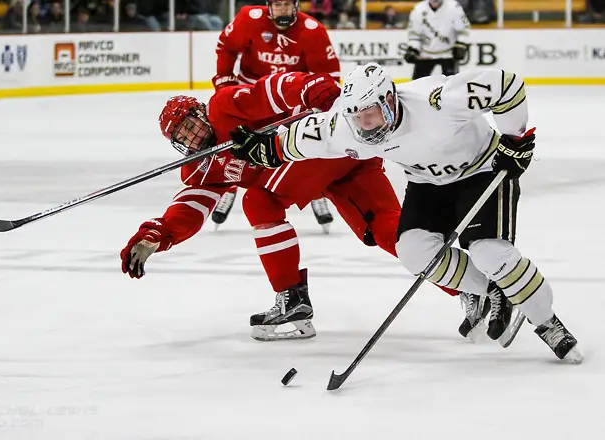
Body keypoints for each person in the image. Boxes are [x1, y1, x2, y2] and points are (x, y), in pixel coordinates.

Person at [228, 63, 583, 362]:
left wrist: (514, 140)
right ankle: (495, 288)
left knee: (488, 251)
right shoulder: (347, 126)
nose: (366, 123)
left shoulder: (438, 102)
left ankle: (547, 322)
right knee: (413, 251)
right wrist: (263, 149)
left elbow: (506, 85)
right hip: (427, 182)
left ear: (390, 99)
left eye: (372, 112)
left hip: (482, 169)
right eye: (358, 116)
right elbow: (305, 138)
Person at [119, 71, 477, 342]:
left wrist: (309, 88)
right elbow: (191, 207)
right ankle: (473, 287)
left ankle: (291, 297)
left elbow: (272, 90)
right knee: (388, 232)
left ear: (201, 112)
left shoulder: (225, 105)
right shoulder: (200, 165)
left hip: (324, 147)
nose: (192, 137)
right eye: (182, 137)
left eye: (191, 126)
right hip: (344, 168)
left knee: (260, 199)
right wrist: (158, 235)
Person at [211, 0, 341, 233]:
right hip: (251, 96)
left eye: (287, 5)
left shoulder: (312, 31)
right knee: (232, 141)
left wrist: (318, 102)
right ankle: (228, 187)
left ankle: (316, 192)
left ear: (296, 6)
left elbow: (328, 75)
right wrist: (225, 81)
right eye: (278, 5)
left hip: (291, 99)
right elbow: (227, 46)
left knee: (304, 144)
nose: (283, 10)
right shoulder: (249, 19)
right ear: (269, 7)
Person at [404, 0, 470, 80]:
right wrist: (414, 49)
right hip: (425, 54)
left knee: (451, 85)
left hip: (448, 54)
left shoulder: (454, 7)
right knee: (417, 85)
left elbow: (463, 29)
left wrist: (460, 45)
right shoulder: (419, 8)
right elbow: (414, 34)